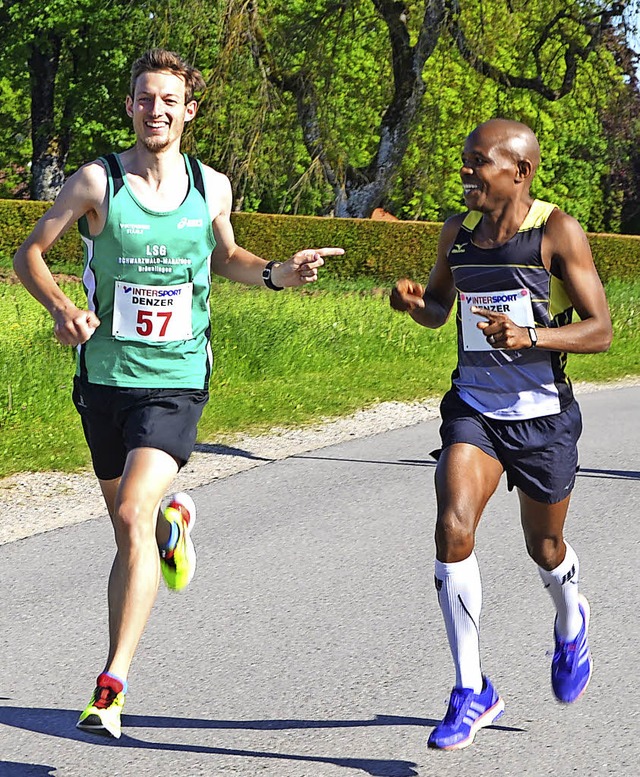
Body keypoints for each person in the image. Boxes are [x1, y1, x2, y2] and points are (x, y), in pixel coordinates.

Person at [13, 48, 343, 739]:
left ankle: (111, 685)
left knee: (131, 512)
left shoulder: (210, 185)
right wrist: (59, 309)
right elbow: (29, 253)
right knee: (129, 528)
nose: (154, 110)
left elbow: (227, 258)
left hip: (176, 376)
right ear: (130, 106)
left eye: (168, 100)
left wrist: (279, 271)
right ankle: (172, 525)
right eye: (143, 98)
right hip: (102, 379)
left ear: (188, 110)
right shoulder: (97, 182)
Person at [390, 118, 612, 751]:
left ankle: (571, 619)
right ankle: (471, 688)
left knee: (545, 547)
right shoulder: (457, 234)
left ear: (520, 171)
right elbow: (439, 309)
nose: (465, 173)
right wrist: (415, 305)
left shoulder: (555, 231)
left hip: (543, 418)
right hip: (475, 410)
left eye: (477, 163)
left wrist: (533, 336)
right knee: (453, 526)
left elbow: (601, 330)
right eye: (464, 161)